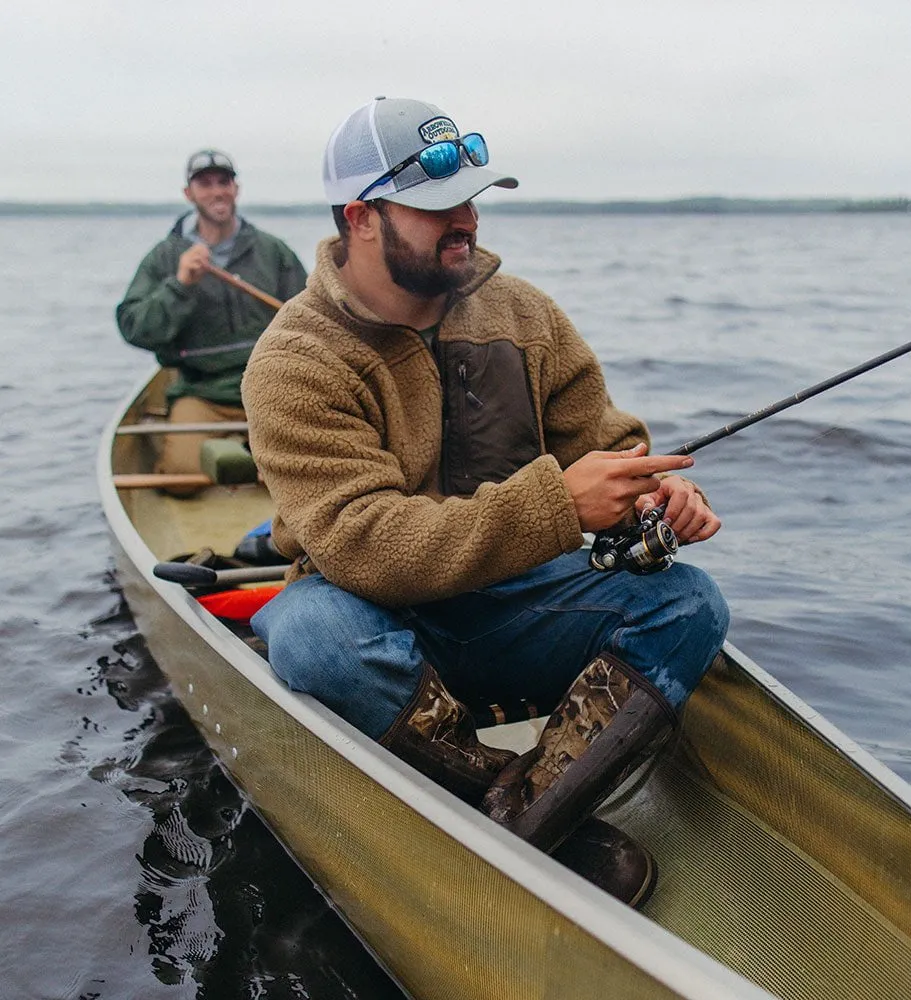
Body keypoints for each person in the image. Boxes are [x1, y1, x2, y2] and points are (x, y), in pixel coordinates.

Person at [241, 97, 730, 908]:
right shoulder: (293, 360)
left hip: (518, 607)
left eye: (471, 198)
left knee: (689, 606)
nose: (465, 219)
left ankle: (525, 814)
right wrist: (559, 507)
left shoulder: (526, 314)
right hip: (383, 618)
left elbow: (607, 448)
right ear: (361, 217)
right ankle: (488, 796)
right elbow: (365, 546)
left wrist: (660, 498)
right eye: (438, 207)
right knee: (313, 637)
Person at [116, 149, 308, 495]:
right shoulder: (164, 257)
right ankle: (219, 447)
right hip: (201, 392)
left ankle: (249, 449)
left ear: (236, 189)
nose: (216, 191)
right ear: (188, 194)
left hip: (269, 390)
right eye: (205, 184)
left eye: (224, 182)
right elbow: (135, 328)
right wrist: (180, 285)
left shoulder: (272, 251)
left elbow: (309, 318)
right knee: (180, 482)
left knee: (304, 472)